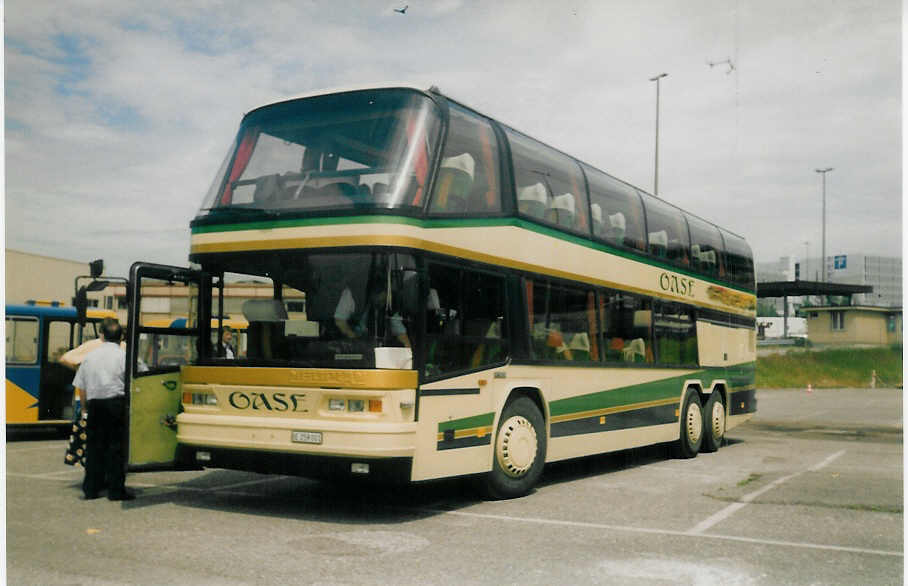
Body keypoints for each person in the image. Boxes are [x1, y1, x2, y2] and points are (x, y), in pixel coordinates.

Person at [72, 318, 134, 501]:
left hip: (95, 406)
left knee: (94, 448)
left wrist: (84, 410)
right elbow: (138, 377)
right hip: (116, 404)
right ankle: (116, 490)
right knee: (116, 448)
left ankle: (91, 489)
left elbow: (81, 387)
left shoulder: (89, 357)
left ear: (101, 335)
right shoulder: (125, 356)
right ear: (121, 336)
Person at [334, 285, 410, 348]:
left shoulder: (390, 310)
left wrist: (408, 350)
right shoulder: (354, 296)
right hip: (356, 349)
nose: (380, 304)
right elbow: (340, 321)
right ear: (371, 294)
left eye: (383, 301)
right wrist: (355, 340)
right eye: (378, 301)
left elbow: (401, 334)